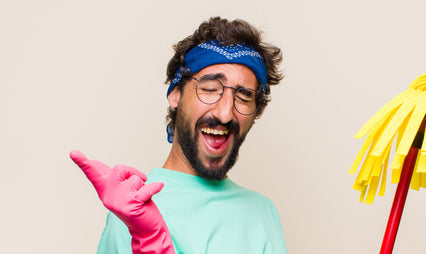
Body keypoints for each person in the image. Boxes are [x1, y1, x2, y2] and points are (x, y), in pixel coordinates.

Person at [70, 17, 286, 254]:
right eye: (210, 88)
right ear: (176, 94)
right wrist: (148, 236)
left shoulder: (262, 213)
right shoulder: (134, 207)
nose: (226, 113)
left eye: (244, 97)